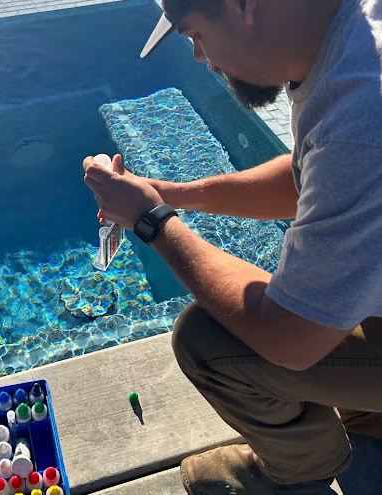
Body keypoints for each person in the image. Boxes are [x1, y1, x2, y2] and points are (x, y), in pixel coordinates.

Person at [82, 0, 382, 493]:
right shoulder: (352, 38)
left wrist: (153, 221)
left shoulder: (363, 116)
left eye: (194, 34)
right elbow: (311, 174)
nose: (200, 56)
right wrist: (174, 194)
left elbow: (291, 340)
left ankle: (299, 473)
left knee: (209, 343)